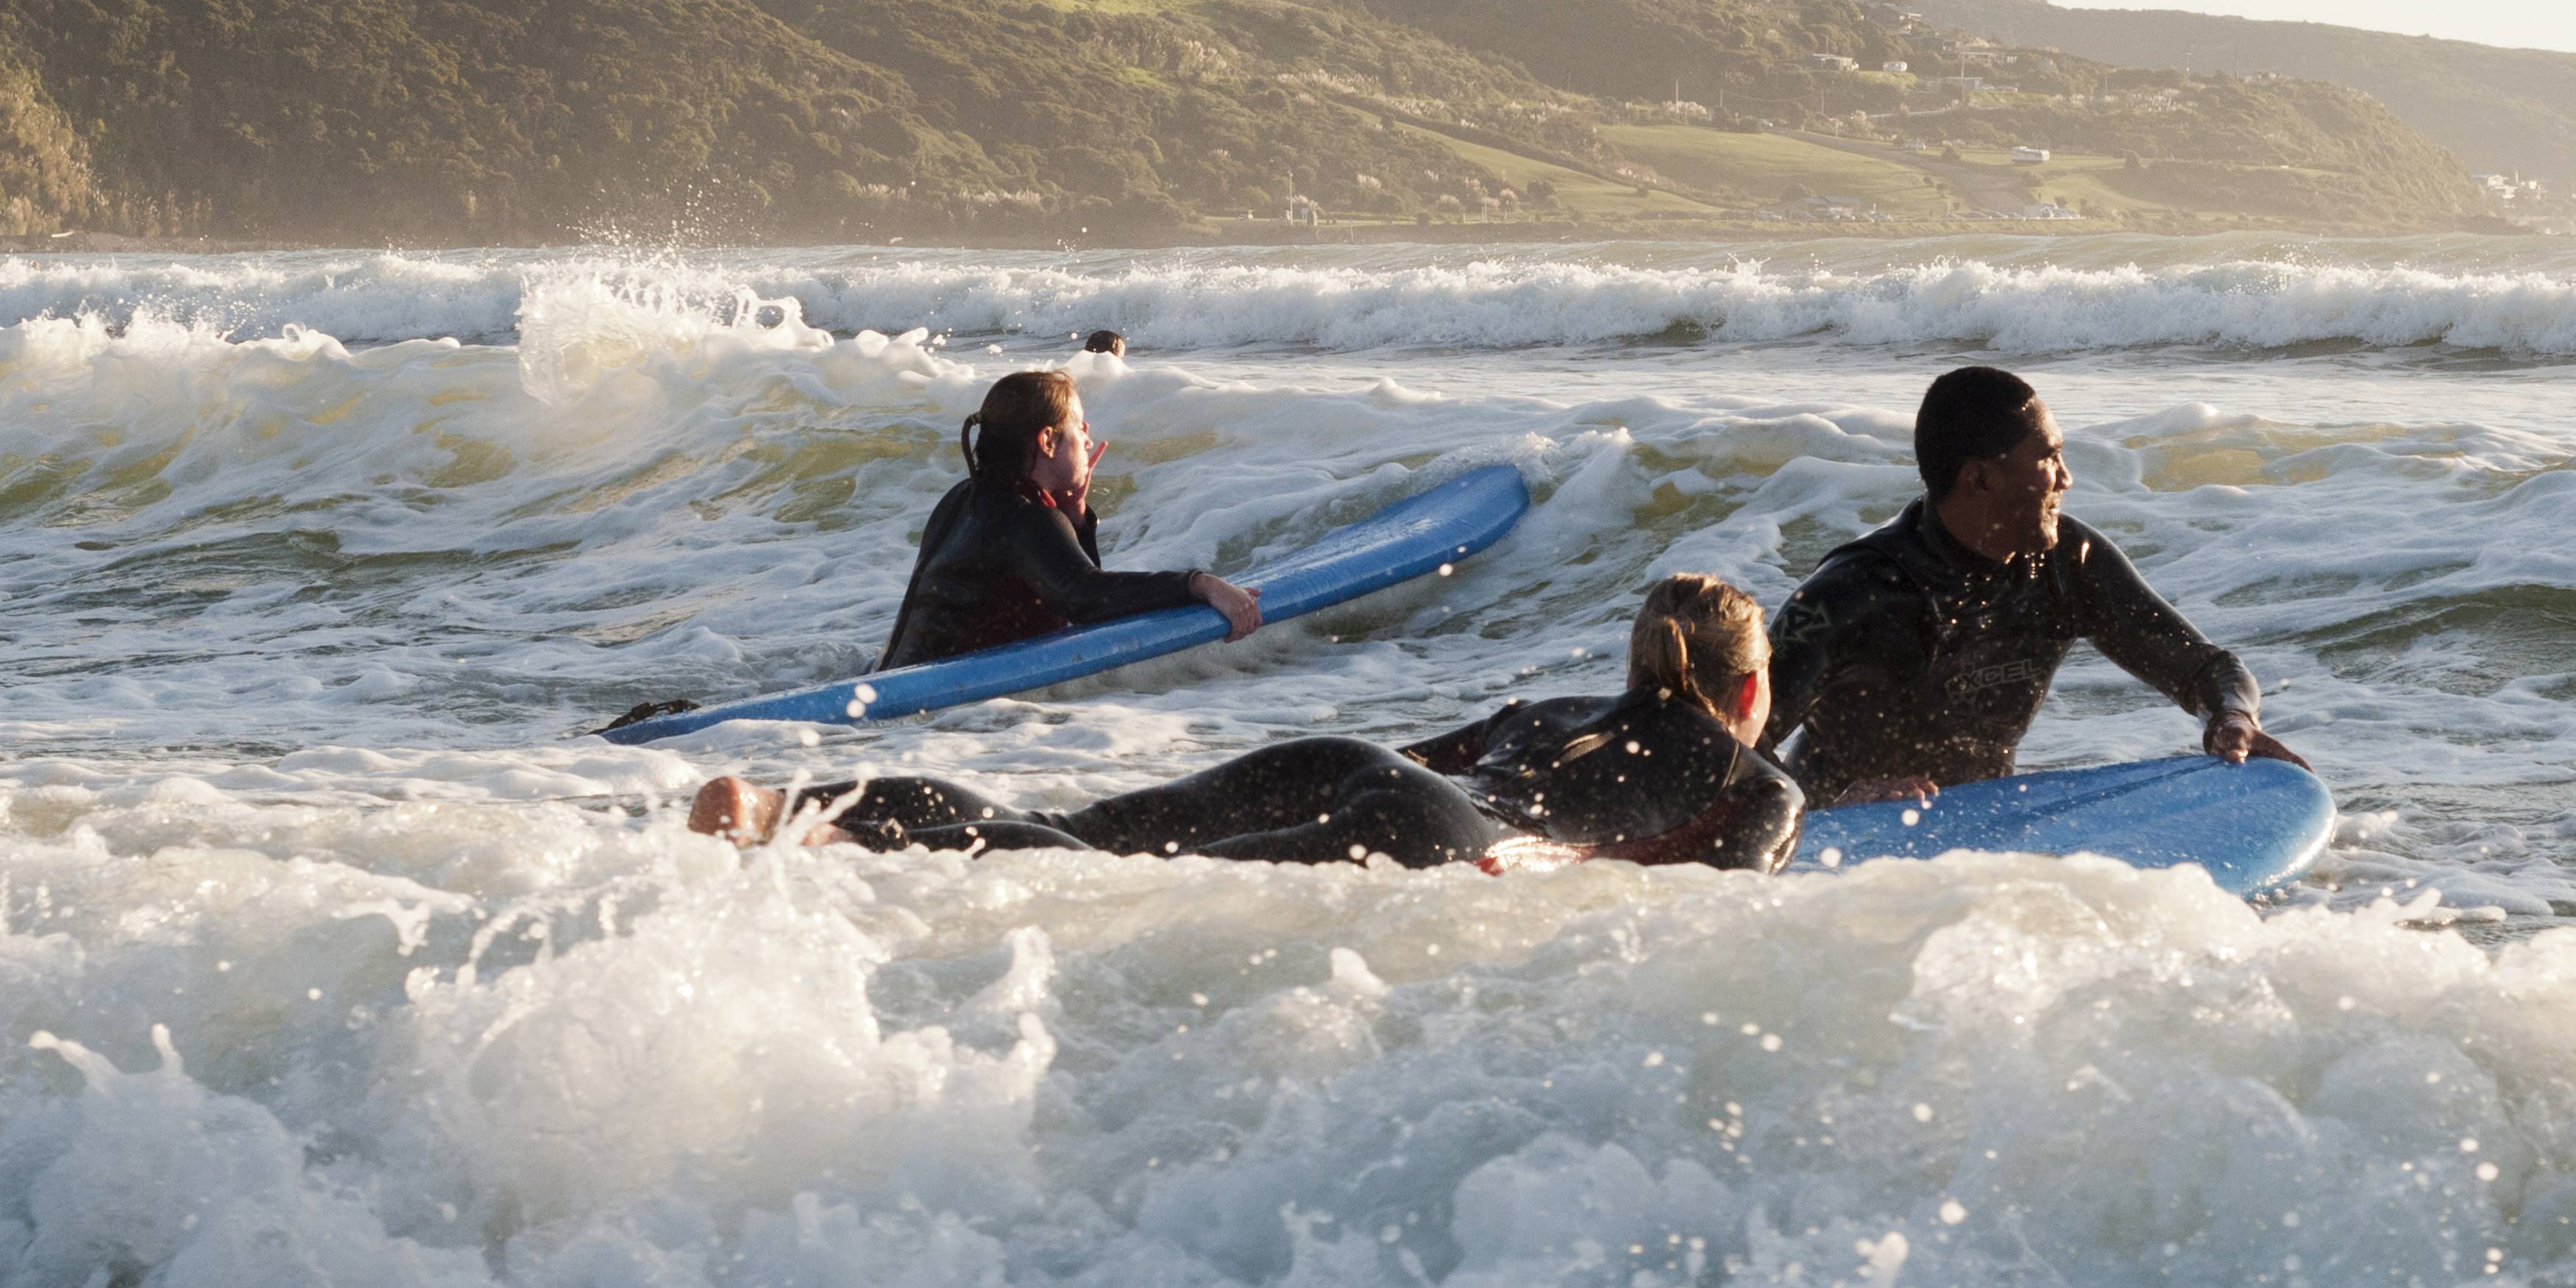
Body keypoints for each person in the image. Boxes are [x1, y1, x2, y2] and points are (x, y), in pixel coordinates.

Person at [686, 574, 1803, 872]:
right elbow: (1711, 908)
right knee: (1113, 878)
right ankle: (825, 844)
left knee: (1078, 828)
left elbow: (1419, 762)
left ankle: (799, 809)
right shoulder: (1762, 786)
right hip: (1454, 843)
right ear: (1749, 692)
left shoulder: (1553, 710)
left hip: (1350, 763)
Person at [1765, 365, 2299, 807]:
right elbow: (1726, 743)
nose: (2066, 478)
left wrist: (2231, 715)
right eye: (2048, 457)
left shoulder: (2068, 564)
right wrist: (1840, 803)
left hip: (1981, 824)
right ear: (1980, 479)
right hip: (1836, 848)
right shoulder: (1854, 592)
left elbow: (2206, 668)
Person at [877, 368, 1259, 669]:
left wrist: (1075, 519)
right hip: (934, 707)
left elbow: (1072, 590)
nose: (1088, 440)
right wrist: (1200, 585)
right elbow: (1087, 600)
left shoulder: (965, 497)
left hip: (897, 678)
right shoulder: (1025, 517)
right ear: (1047, 441)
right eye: (1079, 426)